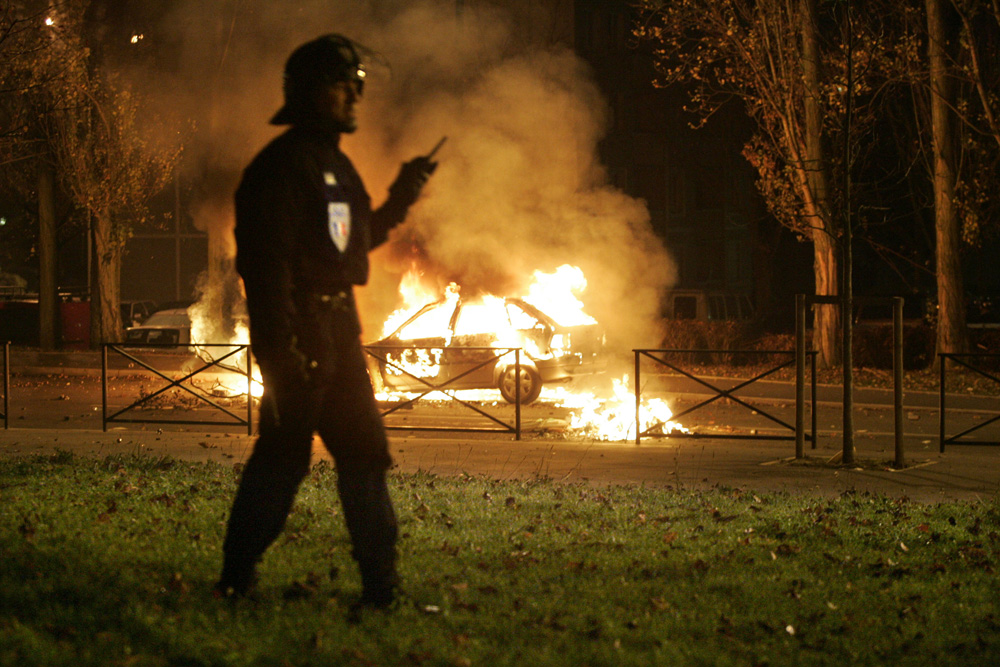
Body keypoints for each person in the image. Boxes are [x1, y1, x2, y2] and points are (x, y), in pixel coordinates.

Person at [215, 34, 436, 611]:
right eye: (343, 85)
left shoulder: (337, 167)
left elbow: (355, 243)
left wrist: (403, 194)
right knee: (282, 460)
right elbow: (266, 270)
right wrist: (280, 358)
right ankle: (236, 577)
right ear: (312, 93)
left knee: (365, 456)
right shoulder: (281, 169)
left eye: (355, 84)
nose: (354, 95)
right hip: (303, 336)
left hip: (341, 333)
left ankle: (381, 589)